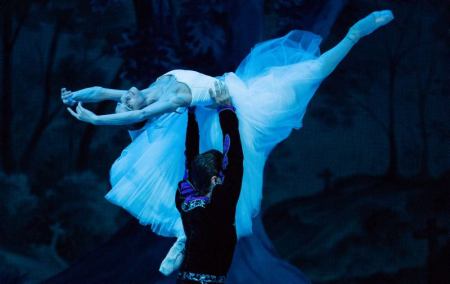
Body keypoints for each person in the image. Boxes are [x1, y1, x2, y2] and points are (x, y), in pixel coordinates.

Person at [62, 10, 394, 276]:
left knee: (199, 180)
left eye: (125, 99)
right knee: (305, 74)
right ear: (139, 112)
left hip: (220, 99)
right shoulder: (169, 98)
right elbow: (123, 115)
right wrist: (96, 121)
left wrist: (76, 95)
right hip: (239, 105)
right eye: (127, 104)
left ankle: (182, 240)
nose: (125, 96)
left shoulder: (145, 91)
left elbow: (102, 93)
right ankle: (355, 34)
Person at [173, 101, 243, 283]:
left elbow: (190, 156)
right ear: (215, 179)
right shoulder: (221, 203)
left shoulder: (185, 199)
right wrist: (226, 110)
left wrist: (191, 117)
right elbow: (234, 158)